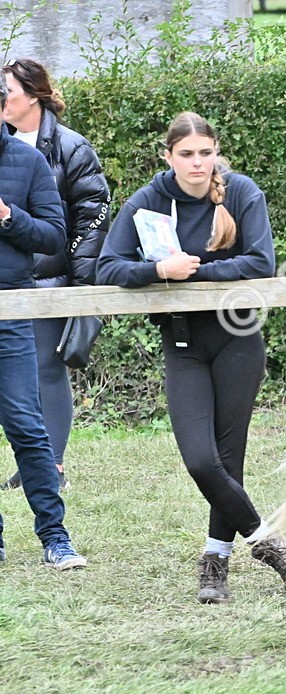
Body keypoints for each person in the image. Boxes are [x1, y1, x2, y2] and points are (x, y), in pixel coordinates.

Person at [96, 111, 286, 603]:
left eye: (205, 153)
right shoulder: (149, 200)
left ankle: (215, 562)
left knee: (227, 459)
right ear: (167, 156)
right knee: (200, 459)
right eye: (186, 155)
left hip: (238, 338)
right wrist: (157, 269)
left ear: (216, 153)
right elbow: (107, 266)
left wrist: (192, 274)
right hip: (183, 345)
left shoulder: (241, 192)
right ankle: (268, 544)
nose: (197, 163)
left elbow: (261, 262)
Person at [2, 58, 111, 493]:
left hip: (50, 277)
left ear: (32, 94)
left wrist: (79, 280)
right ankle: (31, 461)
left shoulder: (70, 146)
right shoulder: (6, 143)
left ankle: (54, 465)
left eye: (7, 90)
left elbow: (92, 217)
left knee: (48, 368)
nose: (2, 99)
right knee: (18, 376)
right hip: (12, 279)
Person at [0, 76, 87, 569]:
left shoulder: (29, 161)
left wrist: (9, 217)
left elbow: (54, 236)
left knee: (27, 426)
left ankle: (55, 537)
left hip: (11, 312)